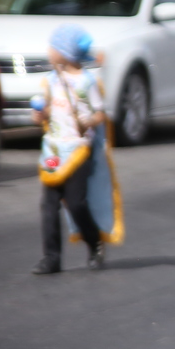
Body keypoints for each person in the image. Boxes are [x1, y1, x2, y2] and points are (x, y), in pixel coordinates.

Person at [31, 24, 123, 275]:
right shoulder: (50, 81)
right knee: (48, 204)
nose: (49, 51)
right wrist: (39, 114)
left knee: (76, 203)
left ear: (66, 52)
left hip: (79, 151)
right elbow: (39, 116)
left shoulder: (86, 82)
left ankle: (94, 243)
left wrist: (88, 121)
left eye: (53, 47)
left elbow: (100, 114)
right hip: (53, 152)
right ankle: (51, 258)